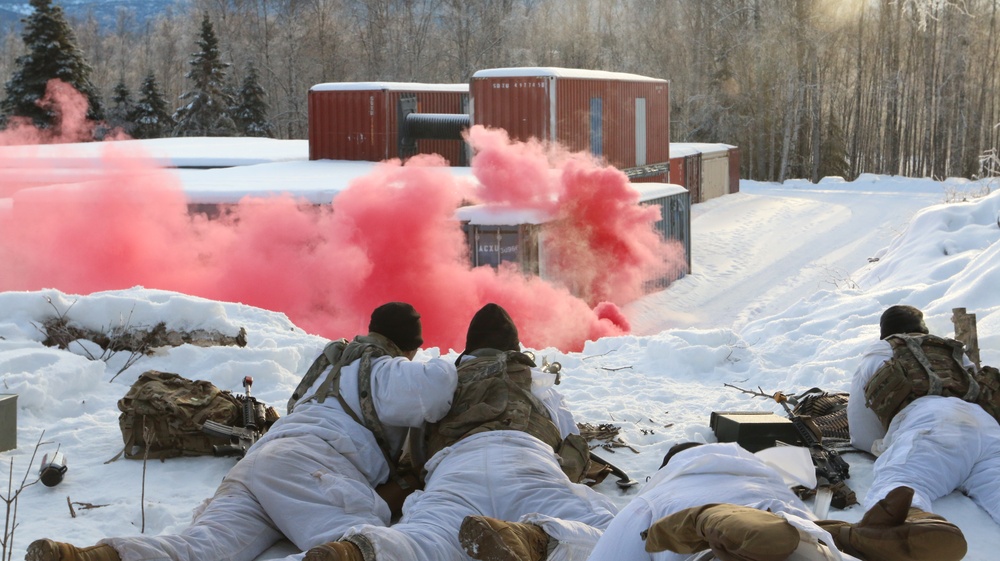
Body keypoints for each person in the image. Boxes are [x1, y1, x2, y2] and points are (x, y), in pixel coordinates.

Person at [27, 302, 459, 561]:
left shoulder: (333, 366)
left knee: (199, 548)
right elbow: (438, 389)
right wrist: (449, 362)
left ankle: (100, 556)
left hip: (261, 466)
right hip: (314, 471)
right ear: (408, 346)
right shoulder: (386, 370)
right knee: (360, 550)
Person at [304, 303, 618, 561]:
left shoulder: (445, 381)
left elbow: (417, 452)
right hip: (527, 461)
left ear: (470, 350)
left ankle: (360, 552)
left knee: (428, 537)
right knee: (611, 535)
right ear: (515, 349)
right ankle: (540, 538)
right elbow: (574, 445)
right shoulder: (538, 383)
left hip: (455, 468)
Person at [586, 441, 967, 561]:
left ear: (670, 469)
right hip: (802, 541)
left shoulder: (654, 500)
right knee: (808, 537)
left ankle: (719, 523)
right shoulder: (770, 485)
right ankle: (854, 539)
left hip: (726, 548)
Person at [847, 304, 1000, 526]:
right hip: (985, 426)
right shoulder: (952, 351)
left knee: (898, 494)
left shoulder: (880, 352)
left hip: (933, 425)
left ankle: (914, 534)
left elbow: (863, 434)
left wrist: (889, 445)